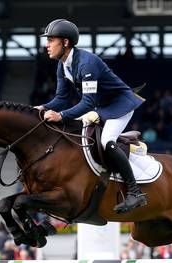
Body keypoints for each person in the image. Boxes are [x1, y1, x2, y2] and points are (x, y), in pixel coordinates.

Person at [35, 19, 146, 214]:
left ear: (66, 42)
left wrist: (60, 116)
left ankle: (135, 193)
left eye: (51, 40)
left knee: (106, 142)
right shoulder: (63, 65)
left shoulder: (87, 63)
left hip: (120, 105)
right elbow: (61, 98)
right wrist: (42, 107)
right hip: (101, 107)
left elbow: (86, 103)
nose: (47, 45)